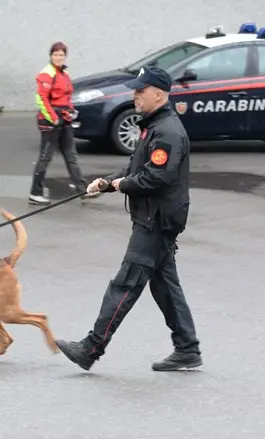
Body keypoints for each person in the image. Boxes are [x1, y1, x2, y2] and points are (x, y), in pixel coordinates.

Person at [54, 65, 202, 372]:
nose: (135, 95)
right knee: (164, 285)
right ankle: (187, 348)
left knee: (125, 284)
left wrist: (122, 184)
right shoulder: (155, 127)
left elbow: (155, 177)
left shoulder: (168, 132)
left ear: (158, 94)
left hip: (157, 220)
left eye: (140, 91)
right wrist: (107, 182)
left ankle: (90, 348)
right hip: (155, 216)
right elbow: (137, 168)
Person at [28, 41, 99, 206]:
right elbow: (41, 99)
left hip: (64, 120)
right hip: (51, 122)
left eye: (61, 55)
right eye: (55, 54)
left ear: (65, 56)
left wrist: (72, 111)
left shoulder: (63, 74)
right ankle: (35, 193)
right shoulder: (47, 74)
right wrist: (53, 118)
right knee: (45, 158)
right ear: (51, 56)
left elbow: (66, 98)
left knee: (71, 156)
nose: (58, 57)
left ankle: (83, 191)